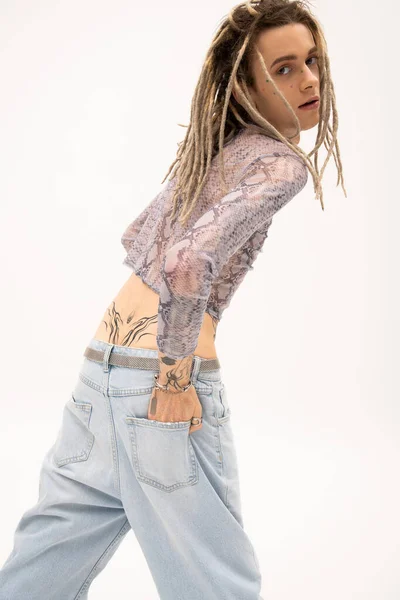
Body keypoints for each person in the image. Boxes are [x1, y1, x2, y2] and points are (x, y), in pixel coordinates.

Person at [0, 1, 347, 598]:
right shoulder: (280, 166)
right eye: (284, 69)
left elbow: (141, 239)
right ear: (245, 84)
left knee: (40, 571)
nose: (310, 79)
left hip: (99, 373)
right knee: (214, 581)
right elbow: (185, 262)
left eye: (312, 61)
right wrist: (174, 378)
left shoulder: (216, 151)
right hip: (159, 377)